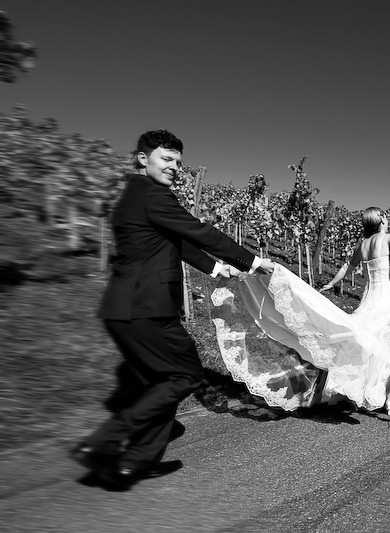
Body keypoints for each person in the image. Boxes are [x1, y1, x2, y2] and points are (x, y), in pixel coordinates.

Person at [70, 130, 274, 490]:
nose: (176, 168)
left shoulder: (134, 195)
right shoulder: (153, 194)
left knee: (159, 382)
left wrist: (214, 269)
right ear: (142, 158)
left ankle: (134, 464)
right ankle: (101, 443)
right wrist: (252, 262)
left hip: (124, 307)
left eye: (179, 162)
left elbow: (173, 240)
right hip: (145, 307)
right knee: (186, 376)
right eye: (167, 159)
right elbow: (198, 231)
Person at [211, 207, 390, 414]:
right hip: (389, 298)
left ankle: (363, 392)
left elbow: (346, 267)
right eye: (385, 217)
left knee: (365, 343)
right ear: (381, 221)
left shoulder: (362, 245)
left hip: (370, 299)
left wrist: (332, 283)